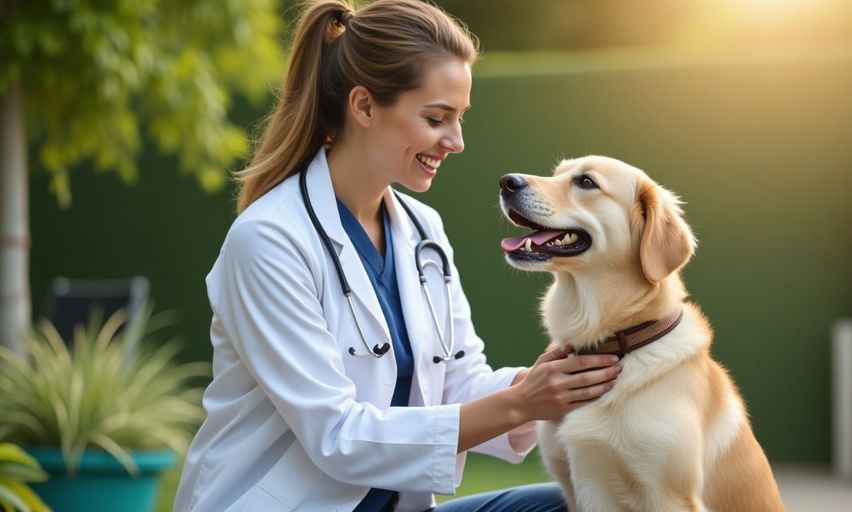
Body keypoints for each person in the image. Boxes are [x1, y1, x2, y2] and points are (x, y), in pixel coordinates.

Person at [173, 1, 621, 511]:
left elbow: (459, 380)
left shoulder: (422, 230)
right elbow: (337, 435)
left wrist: (544, 381)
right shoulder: (268, 241)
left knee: (584, 503)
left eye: (460, 118)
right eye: (436, 118)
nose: (456, 141)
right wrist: (521, 402)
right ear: (364, 107)